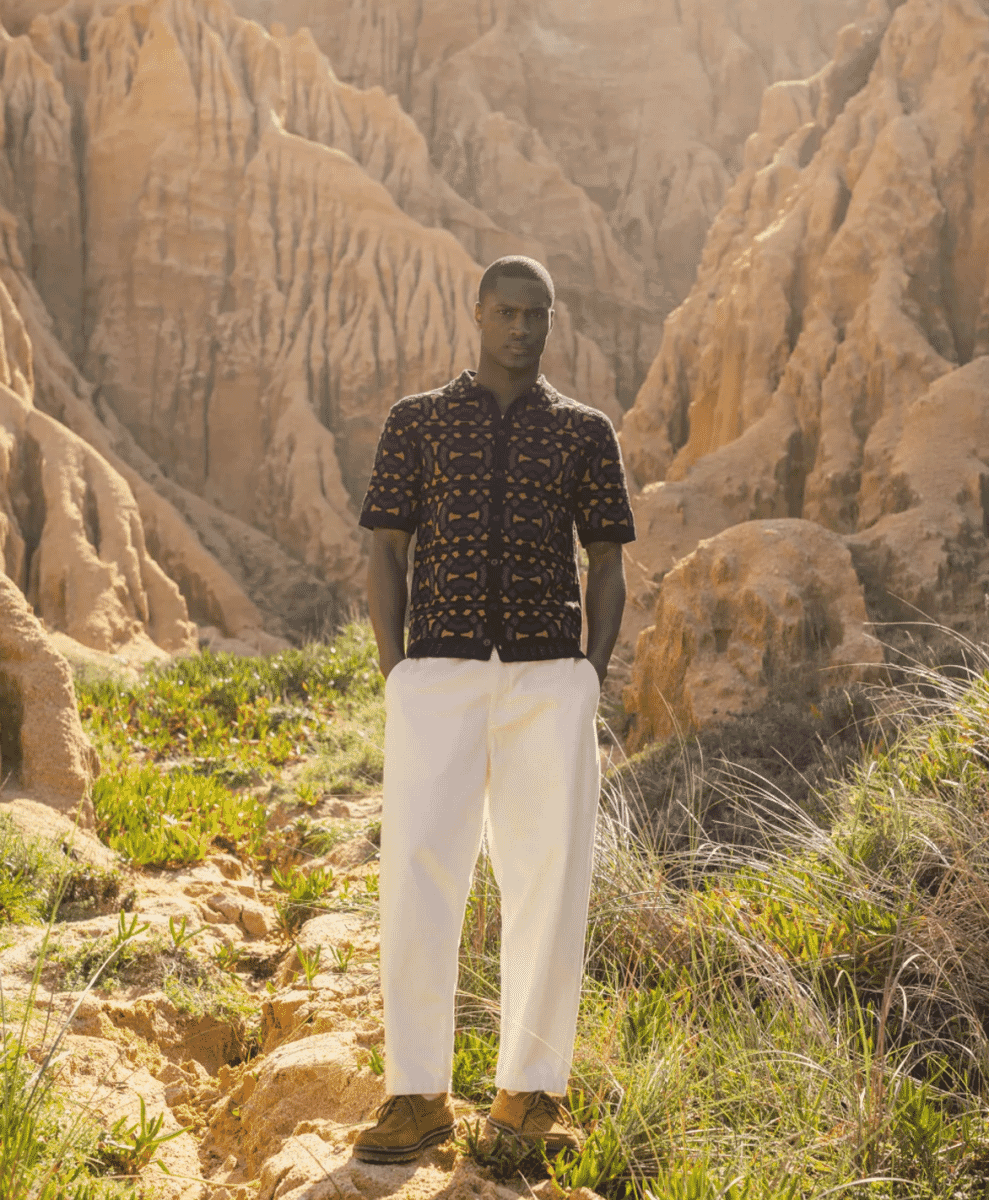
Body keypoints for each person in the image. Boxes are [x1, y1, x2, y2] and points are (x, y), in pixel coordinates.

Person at [353, 255, 636, 1164]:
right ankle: (416, 1096)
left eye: (536, 315)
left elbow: (606, 563)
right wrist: (397, 672)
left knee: (548, 884)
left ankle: (527, 1097)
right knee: (417, 875)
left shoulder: (585, 433)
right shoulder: (418, 422)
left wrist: (586, 676)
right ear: (478, 314)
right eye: (505, 312)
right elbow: (385, 552)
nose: (520, 328)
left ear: (552, 322)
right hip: (436, 673)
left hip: (546, 678)